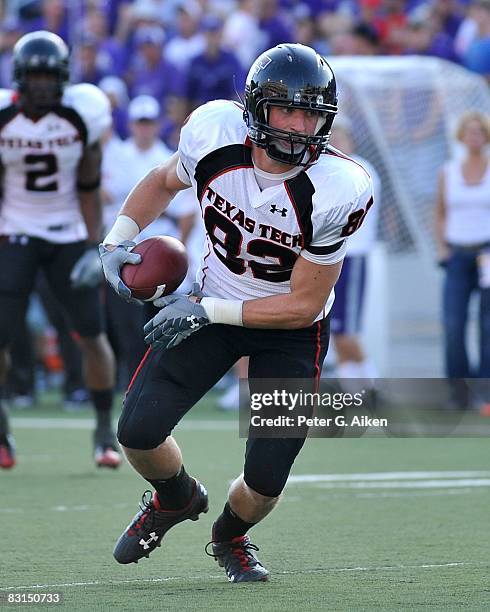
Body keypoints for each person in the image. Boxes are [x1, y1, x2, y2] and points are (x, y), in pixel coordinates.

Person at [100, 43, 374, 582]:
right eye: (287, 110)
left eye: (311, 112)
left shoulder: (340, 186)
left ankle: (230, 536)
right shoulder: (214, 131)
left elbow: (305, 303)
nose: (299, 126)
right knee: (137, 431)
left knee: (266, 480)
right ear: (254, 108)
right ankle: (175, 498)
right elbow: (162, 181)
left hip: (287, 328)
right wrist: (116, 241)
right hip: (210, 301)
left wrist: (210, 312)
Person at [0, 31, 120, 469]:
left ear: (64, 79)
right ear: (19, 78)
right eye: (34, 77)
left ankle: (104, 430)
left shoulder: (81, 115)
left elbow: (89, 184)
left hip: (68, 233)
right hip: (13, 231)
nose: (43, 86)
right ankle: (1, 427)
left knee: (91, 333)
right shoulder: (4, 116)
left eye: (51, 78)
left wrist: (95, 246)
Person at [435, 111, 490, 412]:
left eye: (479, 132)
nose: (474, 137)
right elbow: (440, 211)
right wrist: (442, 247)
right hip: (457, 254)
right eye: (469, 132)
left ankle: (485, 392)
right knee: (453, 323)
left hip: (487, 253)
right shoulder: (449, 170)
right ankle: (459, 391)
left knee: (488, 325)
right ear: (461, 136)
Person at [328, 117, 380, 384]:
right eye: (331, 137)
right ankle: (352, 388)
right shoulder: (331, 169)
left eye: (340, 138)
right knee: (334, 329)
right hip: (329, 258)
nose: (335, 143)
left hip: (351, 257)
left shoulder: (361, 170)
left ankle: (371, 384)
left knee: (346, 330)